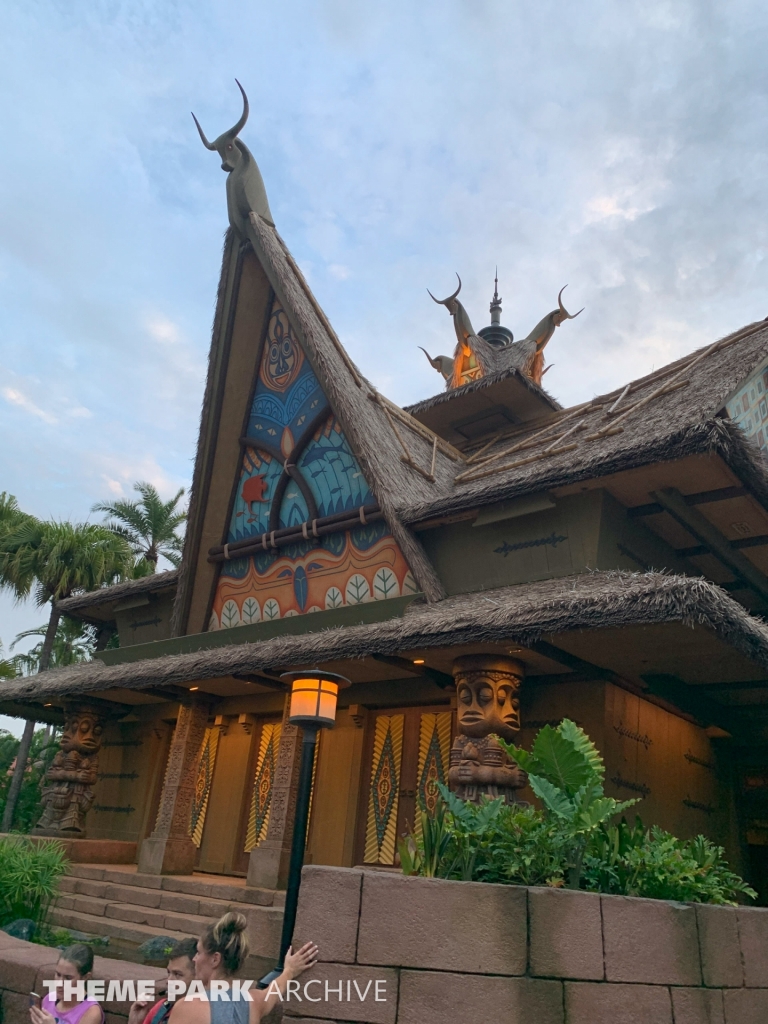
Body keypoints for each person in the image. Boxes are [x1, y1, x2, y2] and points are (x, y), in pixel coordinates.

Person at [169, 912, 317, 1023]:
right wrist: (290, 970)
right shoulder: (254, 1002)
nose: (194, 959)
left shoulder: (187, 1008)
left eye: (199, 952)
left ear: (215, 959)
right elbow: (274, 990)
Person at [128, 937, 198, 1024]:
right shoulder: (161, 1009)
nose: (169, 981)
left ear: (199, 977)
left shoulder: (207, 1017)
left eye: (177, 974)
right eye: (169, 973)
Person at [30, 943, 104, 1024]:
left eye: (68, 978)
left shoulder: (91, 1012)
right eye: (58, 974)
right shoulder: (49, 999)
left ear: (85, 977)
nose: (59, 983)